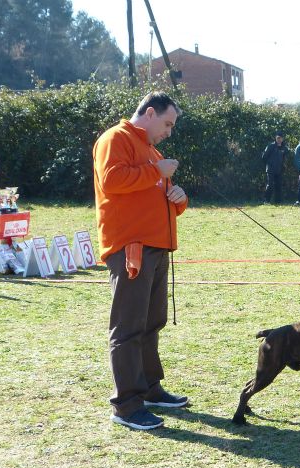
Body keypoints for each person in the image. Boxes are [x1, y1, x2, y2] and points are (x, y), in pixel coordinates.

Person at [93, 91, 190, 431]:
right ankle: (126, 405)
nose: (168, 132)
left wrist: (179, 198)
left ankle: (149, 389)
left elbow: (161, 196)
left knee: (151, 323)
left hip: (157, 248)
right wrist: (155, 171)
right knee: (128, 327)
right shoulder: (115, 139)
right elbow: (112, 181)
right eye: (167, 124)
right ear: (150, 113)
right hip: (131, 247)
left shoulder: (152, 151)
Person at [261, 132, 289, 204]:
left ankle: (278, 201)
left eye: (280, 138)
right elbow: (264, 156)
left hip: (279, 170)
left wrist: (283, 166)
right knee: (270, 185)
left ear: (283, 139)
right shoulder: (270, 146)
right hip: (270, 169)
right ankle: (266, 200)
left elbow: (285, 158)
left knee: (278, 185)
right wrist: (269, 164)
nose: (279, 139)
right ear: (276, 138)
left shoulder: (284, 148)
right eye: (278, 138)